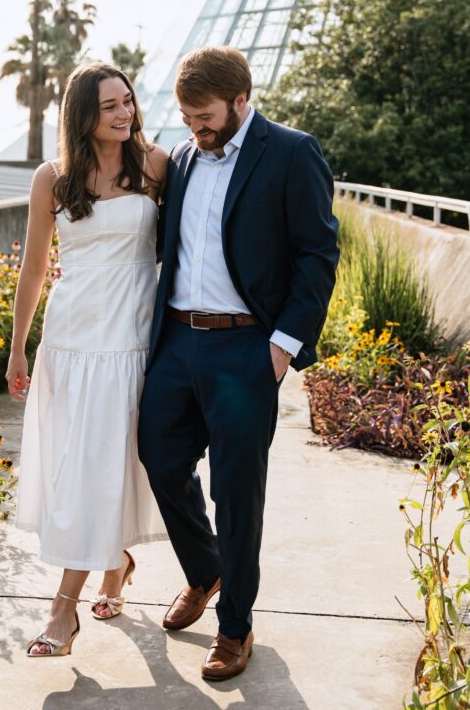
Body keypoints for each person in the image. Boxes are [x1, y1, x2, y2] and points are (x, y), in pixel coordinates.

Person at [138, 45, 339, 682]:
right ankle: (206, 571)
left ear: (240, 101)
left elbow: (317, 254)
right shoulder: (184, 159)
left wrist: (282, 347)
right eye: (185, 115)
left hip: (247, 347)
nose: (193, 126)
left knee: (236, 490)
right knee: (160, 458)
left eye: (203, 115)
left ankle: (235, 625)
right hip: (176, 341)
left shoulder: (291, 152)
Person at [6, 61, 169, 658]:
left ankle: (63, 609)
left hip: (130, 339)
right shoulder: (53, 177)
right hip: (71, 340)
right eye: (110, 106)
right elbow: (33, 268)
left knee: (111, 462)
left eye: (127, 101)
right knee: (80, 466)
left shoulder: (155, 165)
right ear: (83, 115)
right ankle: (114, 566)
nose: (125, 112)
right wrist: (18, 345)